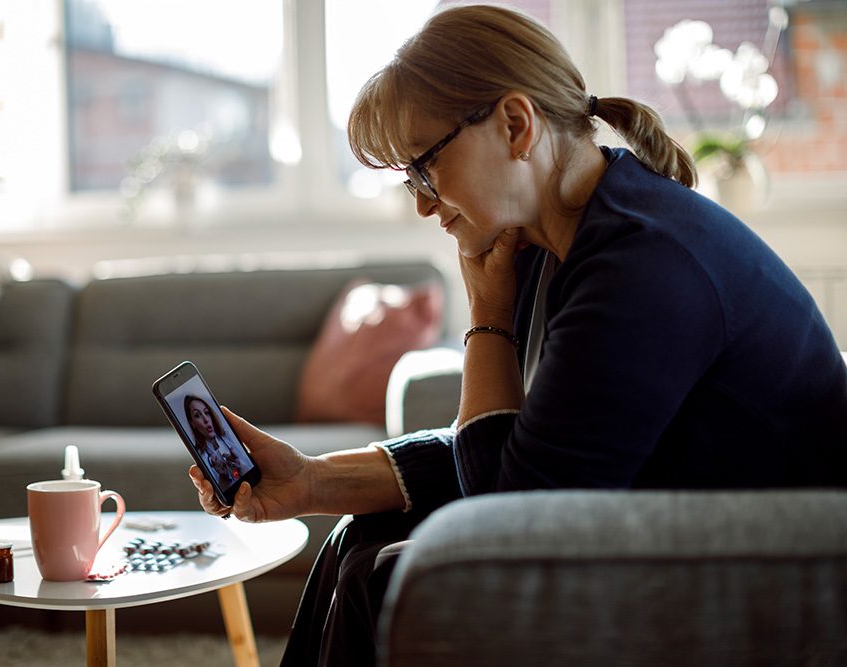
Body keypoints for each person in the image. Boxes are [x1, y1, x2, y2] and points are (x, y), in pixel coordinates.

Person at [189, 5, 847, 665]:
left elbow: (510, 520)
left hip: (758, 563)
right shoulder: (551, 239)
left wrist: (487, 314)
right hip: (646, 522)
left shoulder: (640, 263)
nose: (420, 201)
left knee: (380, 574)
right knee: (356, 541)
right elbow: (512, 451)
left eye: (423, 167)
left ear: (514, 124)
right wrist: (309, 481)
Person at [184, 395, 249, 489]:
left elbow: (249, 469)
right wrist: (223, 478)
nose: (206, 419)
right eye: (197, 415)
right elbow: (217, 492)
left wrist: (239, 466)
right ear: (192, 423)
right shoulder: (201, 456)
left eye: (206, 412)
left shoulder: (227, 436)